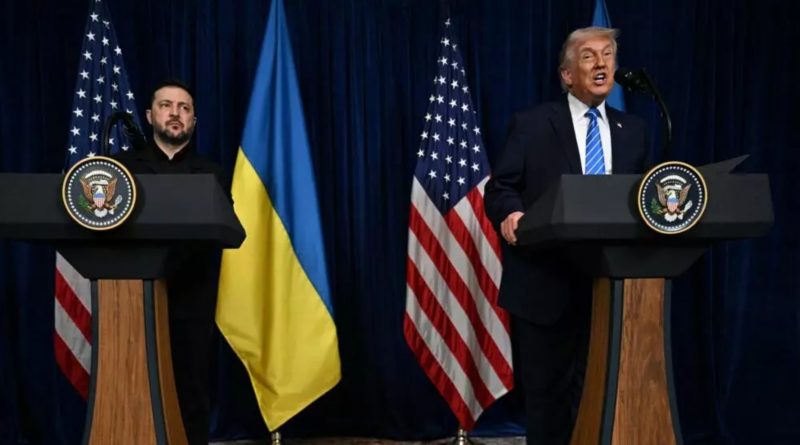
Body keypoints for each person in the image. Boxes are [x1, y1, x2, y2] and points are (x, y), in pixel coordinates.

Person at [484, 27, 651, 445]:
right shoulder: (533, 124)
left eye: (608, 54)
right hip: (545, 285)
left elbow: (644, 199)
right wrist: (512, 213)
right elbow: (501, 188)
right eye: (589, 56)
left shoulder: (634, 130)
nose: (601, 63)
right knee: (549, 404)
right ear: (567, 74)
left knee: (602, 398)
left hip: (611, 288)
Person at [115, 78, 226, 445]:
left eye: (184, 108)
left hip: (191, 299)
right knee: (132, 383)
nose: (175, 113)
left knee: (190, 389)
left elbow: (226, 229)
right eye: (166, 105)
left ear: (193, 120)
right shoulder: (122, 170)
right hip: (133, 298)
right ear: (150, 116)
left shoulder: (211, 174)